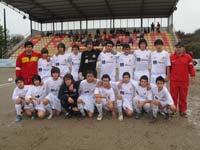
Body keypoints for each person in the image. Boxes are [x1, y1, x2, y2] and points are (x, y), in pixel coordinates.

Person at [170, 42, 196, 117]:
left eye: (180, 47)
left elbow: (191, 68)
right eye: (177, 47)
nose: (178, 49)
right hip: (174, 81)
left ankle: (183, 111)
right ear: (175, 48)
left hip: (184, 81)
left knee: (183, 96)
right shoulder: (171, 57)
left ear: (183, 48)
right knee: (173, 96)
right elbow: (168, 69)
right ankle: (173, 110)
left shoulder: (188, 57)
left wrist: (193, 76)